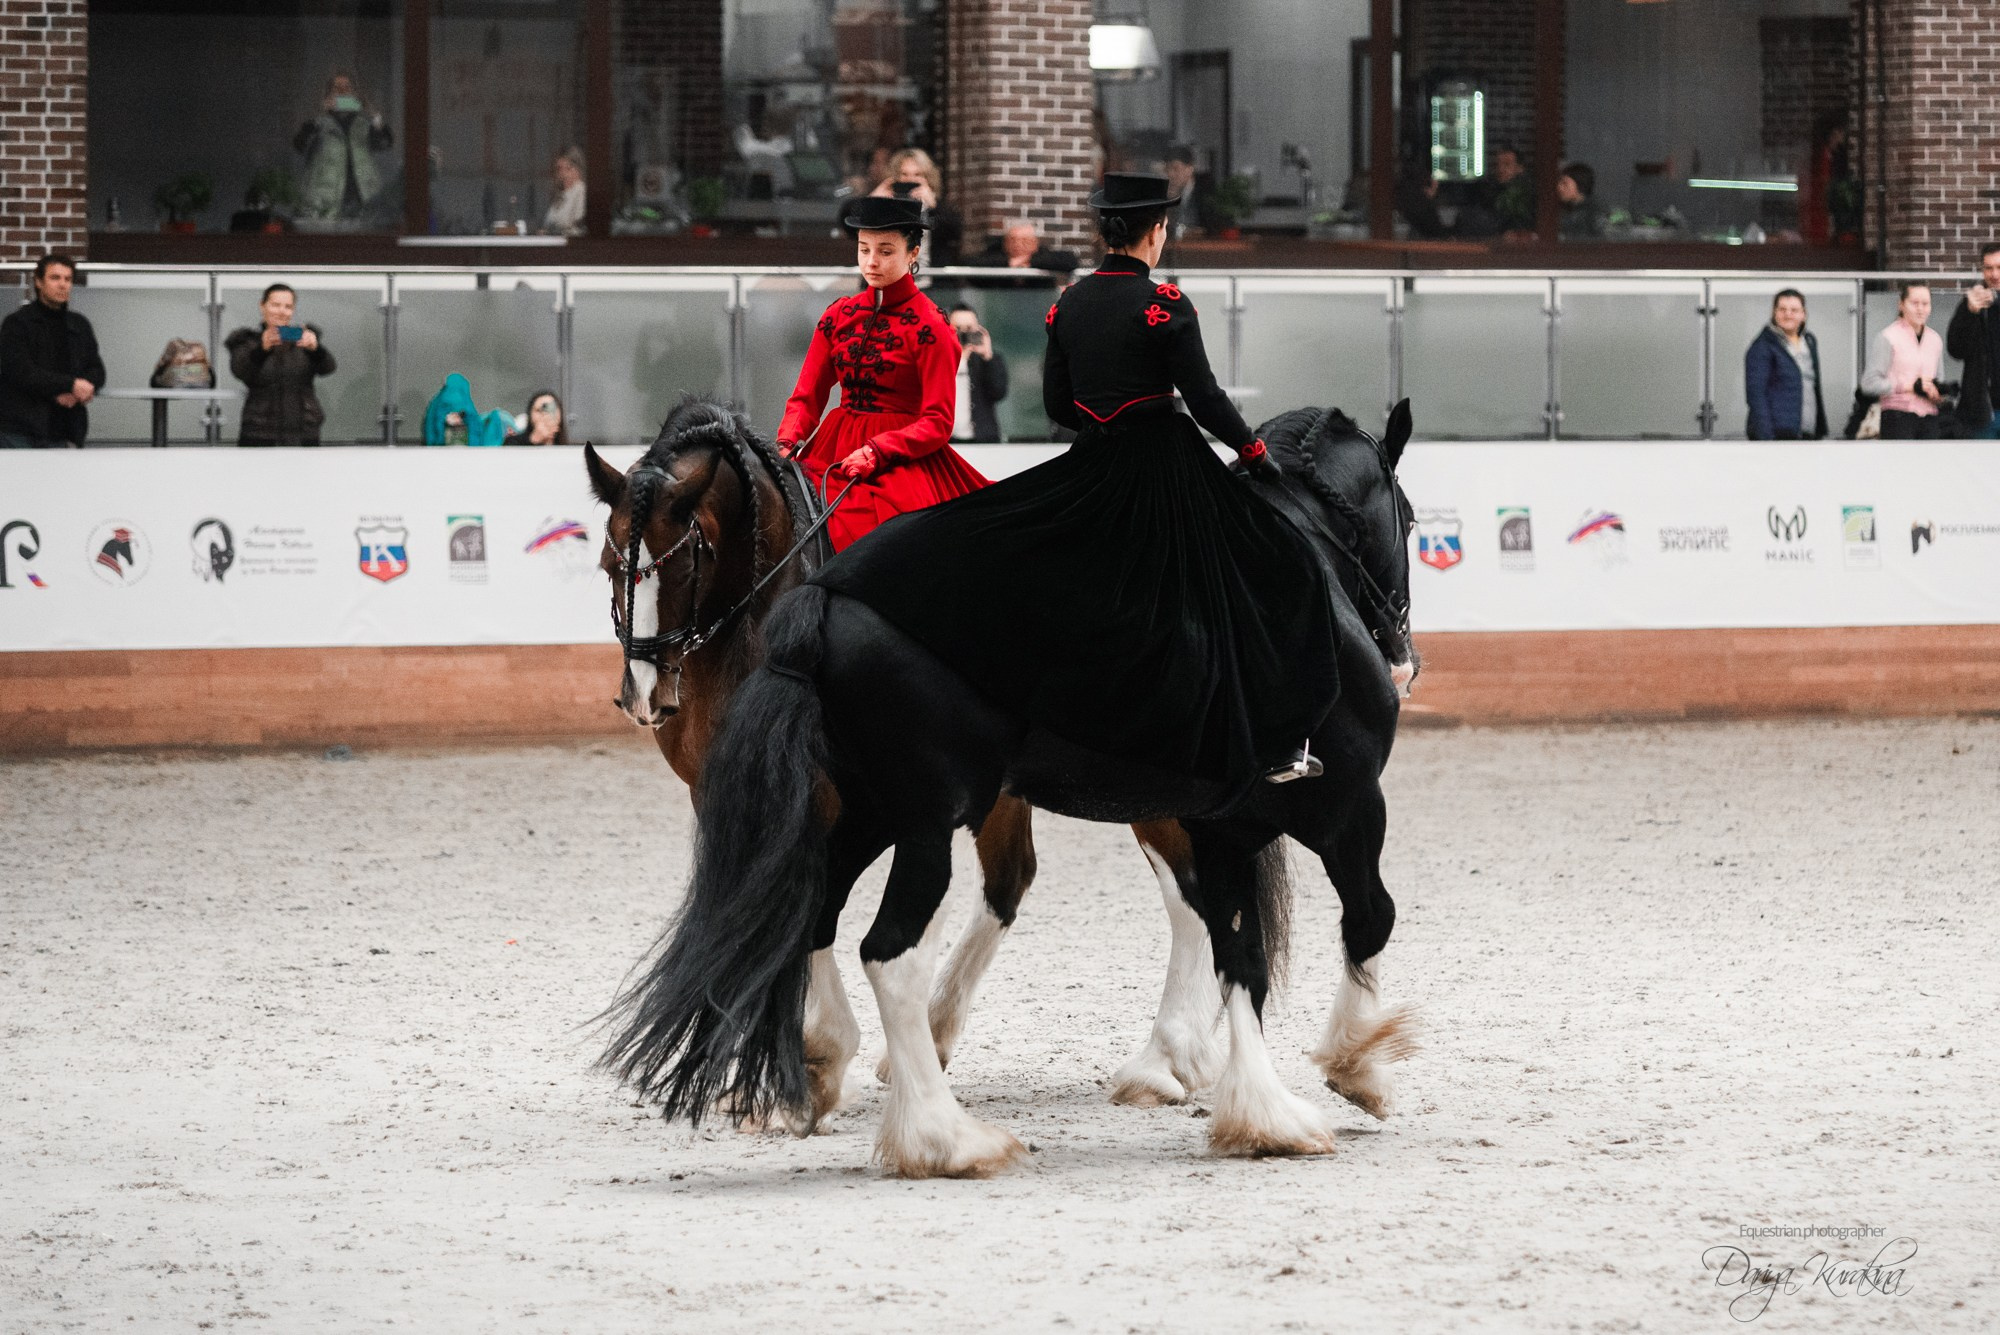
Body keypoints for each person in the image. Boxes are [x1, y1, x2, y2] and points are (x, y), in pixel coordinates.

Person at [813, 172, 1342, 787]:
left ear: (1104, 233)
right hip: (1163, 464)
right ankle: (1277, 742)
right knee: (1273, 564)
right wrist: (1253, 452)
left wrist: (1101, 416)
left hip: (1093, 463)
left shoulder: (1068, 302)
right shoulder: (1166, 304)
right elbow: (1204, 398)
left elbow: (1060, 406)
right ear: (1157, 232)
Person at [775, 194, 988, 550]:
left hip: (900, 458)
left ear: (913, 253)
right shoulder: (837, 316)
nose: (871, 262)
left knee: (892, 544)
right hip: (833, 447)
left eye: (886, 251)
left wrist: (877, 450)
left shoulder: (931, 326)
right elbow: (807, 396)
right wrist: (785, 443)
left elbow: (938, 421)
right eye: (864, 249)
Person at [0, 254, 105, 449]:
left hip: (66, 428)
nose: (63, 284)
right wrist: (70, 385)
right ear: (39, 282)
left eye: (68, 279)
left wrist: (78, 391)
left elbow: (96, 369)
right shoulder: (17, 323)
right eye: (55, 278)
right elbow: (19, 371)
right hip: (21, 429)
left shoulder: (79, 324)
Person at [224, 284, 336, 447]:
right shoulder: (246, 341)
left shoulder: (302, 340)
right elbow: (240, 371)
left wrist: (316, 349)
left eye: (288, 307)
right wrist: (261, 350)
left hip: (304, 431)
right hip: (259, 432)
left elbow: (328, 368)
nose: (282, 311)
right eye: (275, 305)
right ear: (262, 306)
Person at [294, 73, 394, 222]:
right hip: (325, 199)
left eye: (347, 87)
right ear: (328, 94)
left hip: (362, 198)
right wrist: (319, 114)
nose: (342, 91)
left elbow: (385, 144)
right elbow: (300, 145)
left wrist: (372, 113)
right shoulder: (319, 123)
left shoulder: (364, 124)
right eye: (336, 88)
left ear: (354, 94)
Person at [1860, 283, 1946, 440]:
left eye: (1925, 304)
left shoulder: (1935, 339)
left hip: (1929, 416)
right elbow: (1869, 383)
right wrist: (1906, 386)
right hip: (1897, 414)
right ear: (1901, 304)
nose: (1920, 309)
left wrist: (1936, 392)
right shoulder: (1888, 336)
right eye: (1914, 303)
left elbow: (1939, 378)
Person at [1743, 289, 1827, 440]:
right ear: (1774, 313)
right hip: (1777, 436)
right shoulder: (1762, 346)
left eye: (1794, 310)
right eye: (1782, 309)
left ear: (1803, 314)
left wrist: (1820, 429)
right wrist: (1766, 438)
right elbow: (1756, 396)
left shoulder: (1809, 341)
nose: (1788, 314)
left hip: (1807, 434)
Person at [1945, 241, 2000, 439]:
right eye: (1988, 268)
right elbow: (1955, 349)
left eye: (1999, 267)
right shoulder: (1973, 302)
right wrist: (1969, 313)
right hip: (1983, 410)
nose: (1994, 274)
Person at [870, 148, 963, 265]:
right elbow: (849, 224)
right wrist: (871, 202)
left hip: (929, 277)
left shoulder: (937, 206)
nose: (910, 180)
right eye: (904, 174)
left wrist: (934, 206)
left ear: (927, 177)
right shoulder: (886, 203)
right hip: (890, 277)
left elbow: (954, 232)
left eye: (917, 174)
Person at [946, 304, 1008, 443]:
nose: (963, 334)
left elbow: (998, 392)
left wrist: (987, 355)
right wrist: (960, 360)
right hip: (948, 441)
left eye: (969, 329)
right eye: (958, 329)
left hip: (983, 440)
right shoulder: (939, 360)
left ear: (978, 330)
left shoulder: (989, 360)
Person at [972, 221, 1079, 274]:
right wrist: (1009, 262)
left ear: (1035, 243)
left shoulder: (1043, 255)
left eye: (1024, 241)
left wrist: (1026, 260)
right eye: (1013, 240)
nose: (1018, 245)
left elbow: (1070, 261)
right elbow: (972, 263)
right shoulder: (995, 254)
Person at [542, 148, 587, 236]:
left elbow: (577, 224)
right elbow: (548, 223)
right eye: (559, 169)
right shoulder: (559, 195)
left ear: (578, 169)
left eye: (568, 168)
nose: (563, 174)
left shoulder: (581, 191)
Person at [1557, 162, 1606, 240]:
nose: (1559, 187)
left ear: (1579, 184)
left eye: (1564, 183)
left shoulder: (1595, 212)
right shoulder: (1563, 210)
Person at [1164, 145, 1204, 237]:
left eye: (1175, 169)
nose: (1170, 174)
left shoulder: (1205, 192)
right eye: (1167, 169)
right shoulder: (1163, 193)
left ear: (1190, 169)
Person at [504, 390, 568, 446]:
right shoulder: (513, 443)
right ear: (530, 415)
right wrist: (534, 440)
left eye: (552, 410)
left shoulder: (571, 445)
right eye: (540, 410)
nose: (546, 415)